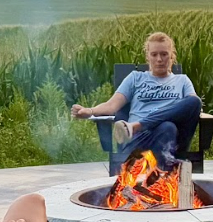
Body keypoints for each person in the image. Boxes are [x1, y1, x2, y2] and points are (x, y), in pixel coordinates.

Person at [69, 32, 203, 169]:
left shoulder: (182, 81)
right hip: (138, 140)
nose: (159, 59)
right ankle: (158, 169)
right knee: (168, 126)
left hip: (170, 140)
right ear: (147, 56)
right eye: (154, 54)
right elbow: (112, 105)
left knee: (190, 106)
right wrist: (90, 111)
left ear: (171, 56)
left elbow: (193, 106)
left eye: (164, 54)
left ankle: (136, 126)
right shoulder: (135, 78)